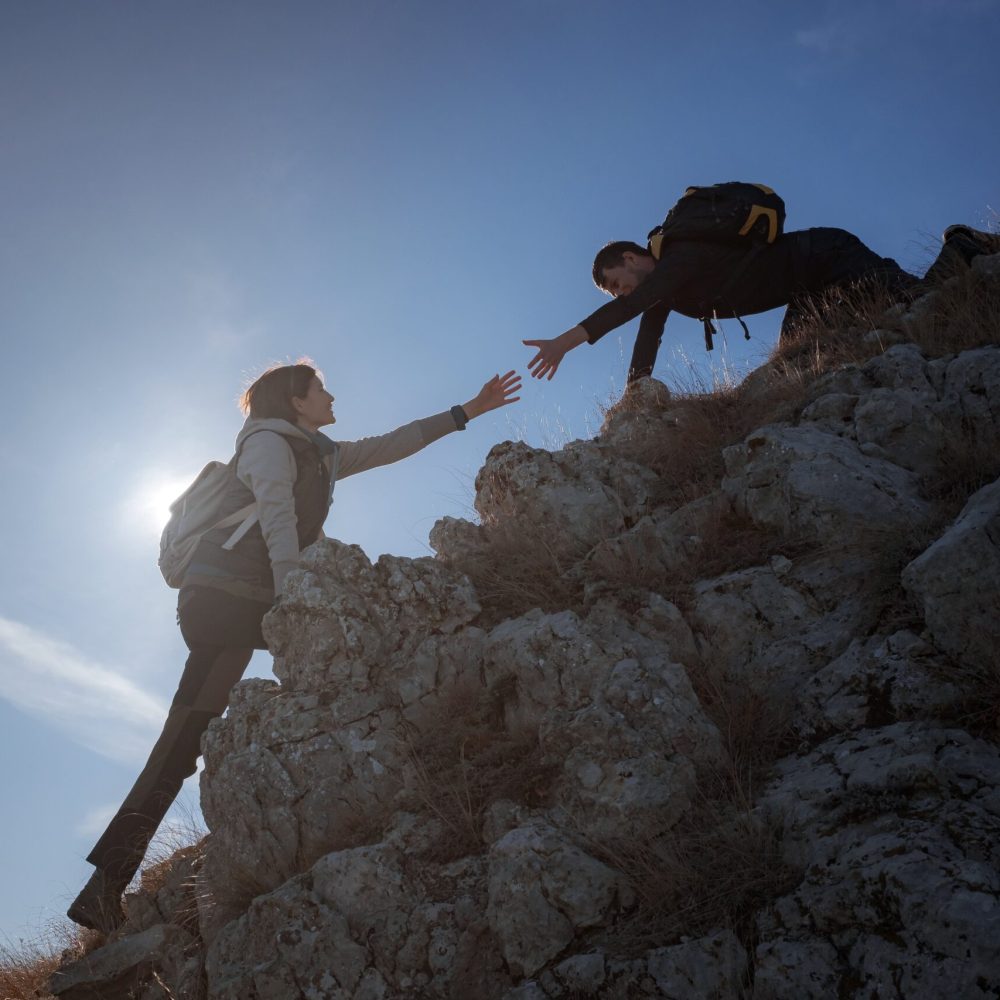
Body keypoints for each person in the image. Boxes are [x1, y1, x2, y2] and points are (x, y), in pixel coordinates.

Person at [68, 362, 522, 930]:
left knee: (191, 734)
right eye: (321, 389)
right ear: (295, 399)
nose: (331, 396)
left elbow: (388, 447)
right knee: (195, 731)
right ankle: (105, 883)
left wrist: (468, 411)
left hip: (253, 600)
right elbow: (278, 521)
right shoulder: (265, 446)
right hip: (228, 604)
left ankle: (104, 886)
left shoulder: (320, 453)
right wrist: (294, 604)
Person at [523, 222, 1000, 384]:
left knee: (923, 303)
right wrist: (635, 397)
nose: (622, 294)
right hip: (810, 289)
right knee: (796, 362)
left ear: (631, 258)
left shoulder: (679, 256)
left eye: (617, 282)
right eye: (614, 292)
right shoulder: (667, 283)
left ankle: (961, 244)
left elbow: (635, 307)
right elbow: (649, 331)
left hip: (828, 256)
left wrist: (565, 342)